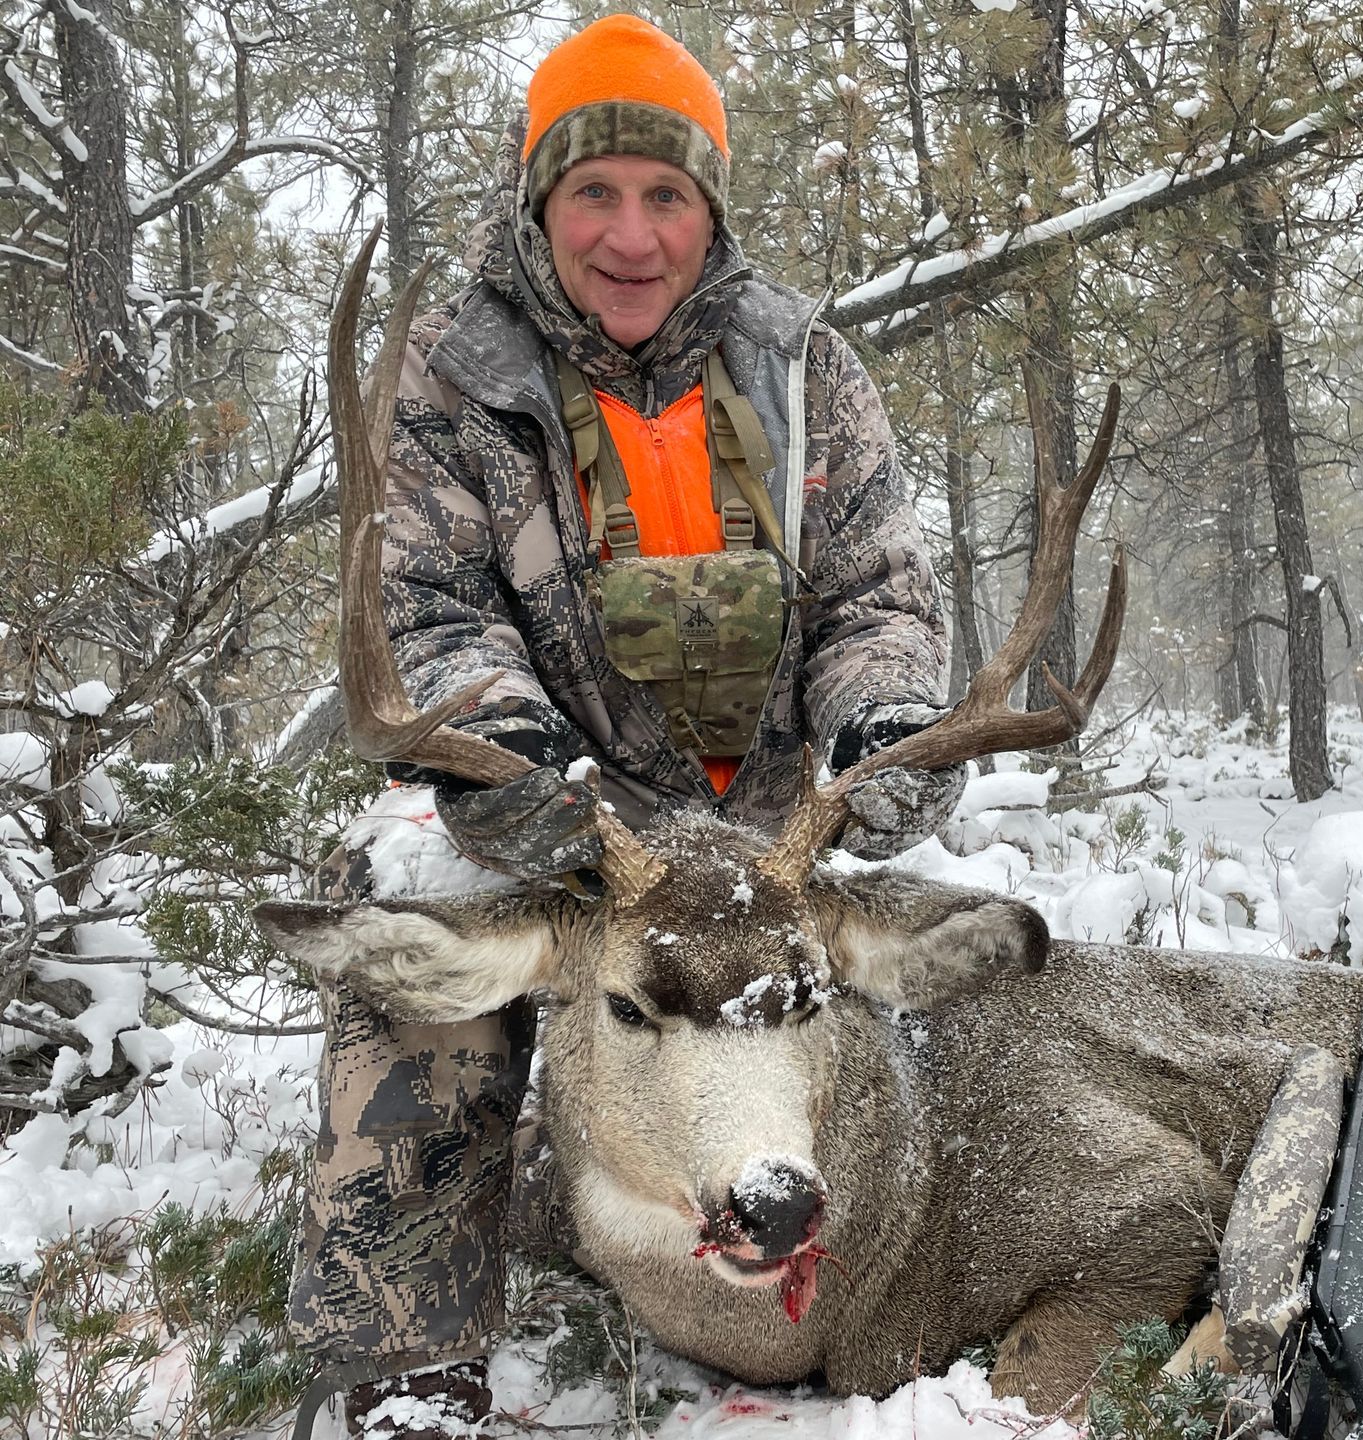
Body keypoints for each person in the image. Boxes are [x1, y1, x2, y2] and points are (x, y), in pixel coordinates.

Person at [291, 16, 962, 1438]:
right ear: (541, 204)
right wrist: (509, 750)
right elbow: (429, 608)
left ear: (710, 209)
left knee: (936, 1010)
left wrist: (879, 727)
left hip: (770, 848)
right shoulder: (458, 378)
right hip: (562, 829)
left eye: (667, 195)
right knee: (415, 960)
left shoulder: (799, 366)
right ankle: (407, 1361)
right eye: (594, 193)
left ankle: (878, 1273)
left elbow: (879, 598)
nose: (632, 235)